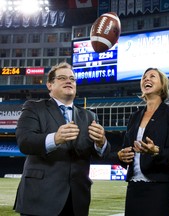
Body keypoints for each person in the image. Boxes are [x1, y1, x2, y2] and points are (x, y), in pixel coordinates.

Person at [13, 62, 111, 216]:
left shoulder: (89, 116)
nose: (69, 81)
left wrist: (101, 143)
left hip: (77, 200)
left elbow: (101, 152)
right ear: (50, 85)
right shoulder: (34, 107)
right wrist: (55, 138)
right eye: (62, 78)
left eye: (72, 79)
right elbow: (25, 141)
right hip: (40, 197)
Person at [117, 68, 169, 216]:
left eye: (152, 76)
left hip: (159, 187)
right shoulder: (134, 116)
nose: (146, 79)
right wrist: (121, 155)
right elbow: (125, 149)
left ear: (163, 85)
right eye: (144, 77)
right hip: (134, 186)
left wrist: (156, 151)